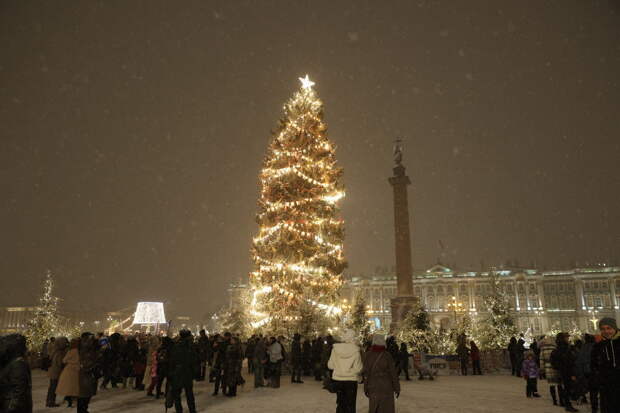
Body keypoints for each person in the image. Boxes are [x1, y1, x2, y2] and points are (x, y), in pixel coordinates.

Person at [328, 329, 363, 413]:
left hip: (338, 380)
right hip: (351, 381)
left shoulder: (335, 349)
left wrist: (339, 367)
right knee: (350, 405)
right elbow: (358, 368)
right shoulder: (356, 351)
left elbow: (330, 365)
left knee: (340, 404)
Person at [363, 334, 400, 413]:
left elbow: (366, 373)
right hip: (386, 386)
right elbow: (393, 373)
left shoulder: (368, 355)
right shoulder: (387, 355)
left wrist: (365, 387)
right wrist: (397, 388)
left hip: (373, 385)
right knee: (386, 408)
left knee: (374, 408)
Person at [592, 317, 619, 413]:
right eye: (603, 329)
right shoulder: (598, 346)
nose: (606, 331)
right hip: (606, 388)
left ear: (615, 328)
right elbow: (594, 365)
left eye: (609, 328)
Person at [0, 334, 33, 413]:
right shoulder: (10, 361)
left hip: (12, 408)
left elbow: (18, 394)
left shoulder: (18, 364)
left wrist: (9, 409)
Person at [168, 330, 198, 413]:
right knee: (189, 393)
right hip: (187, 372)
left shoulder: (175, 346)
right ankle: (192, 410)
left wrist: (171, 372)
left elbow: (171, 361)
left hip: (177, 372)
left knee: (177, 394)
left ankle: (179, 410)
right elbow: (194, 360)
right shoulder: (191, 346)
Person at [552, 332, 578, 412]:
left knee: (564, 388)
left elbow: (553, 362)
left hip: (562, 371)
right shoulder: (565, 348)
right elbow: (571, 360)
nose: (568, 339)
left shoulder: (557, 349)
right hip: (567, 371)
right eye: (566, 337)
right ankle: (568, 404)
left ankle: (565, 403)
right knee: (567, 388)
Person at [77, 333, 100, 413]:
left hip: (88, 376)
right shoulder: (84, 350)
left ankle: (84, 409)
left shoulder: (89, 349)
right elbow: (85, 365)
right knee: (84, 395)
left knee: (86, 395)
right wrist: (93, 365)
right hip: (85, 376)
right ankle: (82, 410)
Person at [57, 338, 80, 408]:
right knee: (75, 386)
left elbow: (64, 360)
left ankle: (69, 401)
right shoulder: (79, 351)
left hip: (69, 370)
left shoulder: (70, 351)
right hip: (77, 369)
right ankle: (74, 399)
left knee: (69, 386)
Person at [539, 334, 562, 407]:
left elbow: (541, 360)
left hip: (548, 367)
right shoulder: (555, 347)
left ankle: (554, 400)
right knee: (559, 385)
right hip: (556, 367)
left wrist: (542, 369)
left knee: (551, 385)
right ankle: (561, 400)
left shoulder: (543, 349)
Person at [46, 336, 68, 407]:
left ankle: (49, 401)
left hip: (53, 372)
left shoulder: (55, 350)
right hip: (56, 372)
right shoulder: (59, 352)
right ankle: (51, 402)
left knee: (52, 387)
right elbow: (60, 363)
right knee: (53, 388)